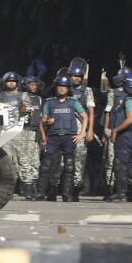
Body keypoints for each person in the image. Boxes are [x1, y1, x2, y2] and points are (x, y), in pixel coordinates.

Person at [39, 75, 85, 202]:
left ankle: (67, 195)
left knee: (69, 166)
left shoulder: (73, 102)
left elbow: (85, 116)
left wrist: (81, 134)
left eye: (64, 87)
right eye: (59, 86)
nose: (61, 89)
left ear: (68, 89)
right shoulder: (49, 102)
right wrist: (47, 124)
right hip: (53, 137)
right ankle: (42, 193)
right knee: (47, 165)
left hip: (69, 137)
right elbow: (42, 121)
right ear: (56, 88)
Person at [106, 71, 132, 203]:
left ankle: (122, 193)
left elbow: (129, 119)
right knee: (129, 166)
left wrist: (115, 130)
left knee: (120, 164)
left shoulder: (129, 100)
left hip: (125, 135)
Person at [66, 60, 96, 194]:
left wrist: (90, 130)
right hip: (65, 128)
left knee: (79, 159)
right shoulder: (64, 89)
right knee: (62, 161)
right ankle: (63, 187)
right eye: (74, 75)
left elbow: (91, 112)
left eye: (79, 76)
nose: (76, 78)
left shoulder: (87, 91)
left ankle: (76, 188)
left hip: (81, 128)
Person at [16, 75, 44, 199]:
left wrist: (43, 133)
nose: (34, 86)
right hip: (23, 131)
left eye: (35, 84)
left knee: (35, 161)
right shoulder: (20, 97)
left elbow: (42, 117)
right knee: (23, 160)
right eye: (31, 84)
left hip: (35, 131)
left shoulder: (39, 99)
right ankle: (23, 187)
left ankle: (33, 187)